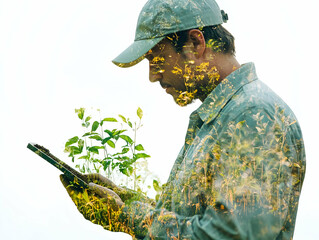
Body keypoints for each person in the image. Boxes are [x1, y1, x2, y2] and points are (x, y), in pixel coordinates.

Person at [60, 0, 306, 239]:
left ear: (195, 43)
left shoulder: (252, 116)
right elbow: (193, 219)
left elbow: (231, 235)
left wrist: (129, 217)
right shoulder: (221, 118)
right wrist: (123, 201)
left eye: (156, 59)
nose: (152, 76)